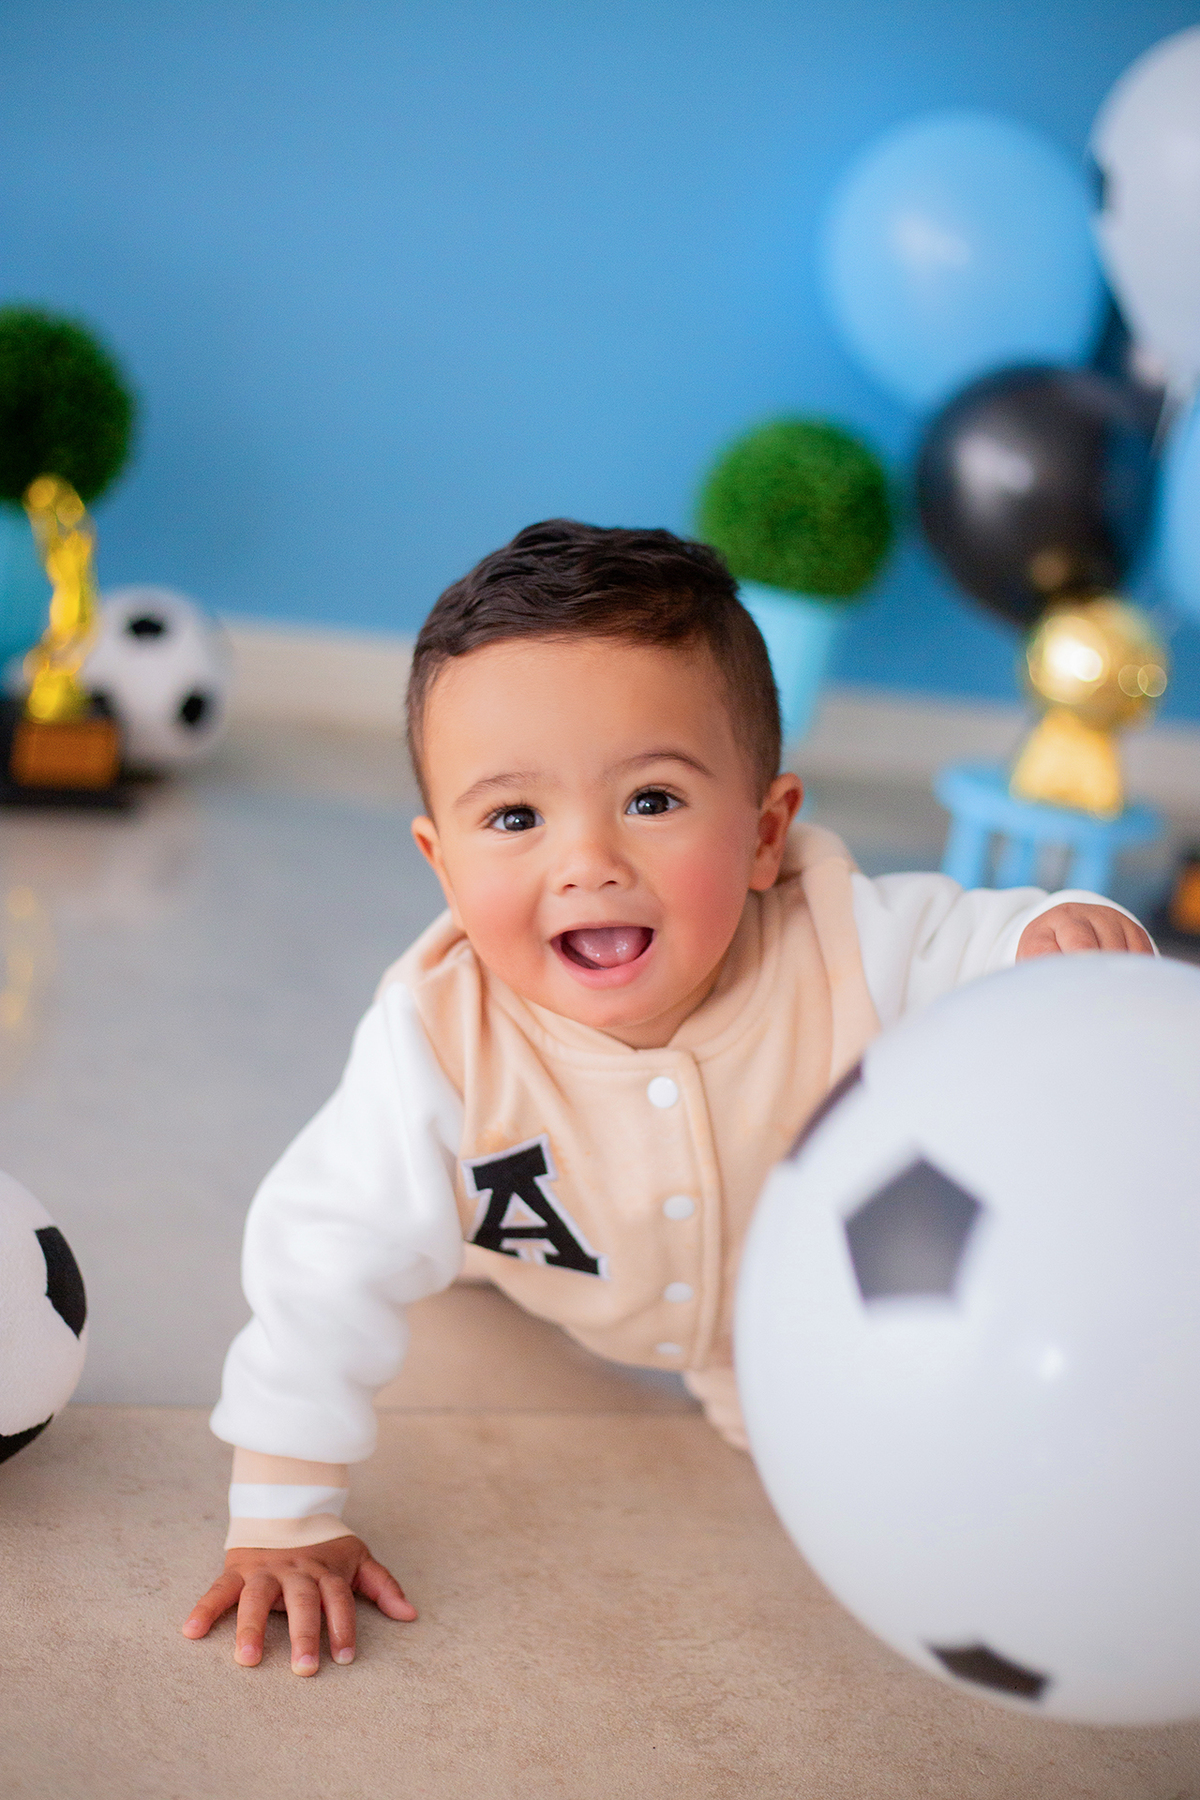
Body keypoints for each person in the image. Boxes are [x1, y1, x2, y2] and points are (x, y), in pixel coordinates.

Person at [183, 520, 1153, 1676]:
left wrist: (1056, 938)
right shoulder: (440, 1041)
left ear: (765, 831)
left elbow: (970, 943)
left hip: (789, 1322)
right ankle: (468, 1257)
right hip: (551, 1265)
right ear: (440, 864)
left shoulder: (845, 936)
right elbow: (320, 1253)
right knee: (402, 1226)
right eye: (514, 819)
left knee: (918, 1479)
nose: (587, 860)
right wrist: (286, 1510)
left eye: (651, 799)